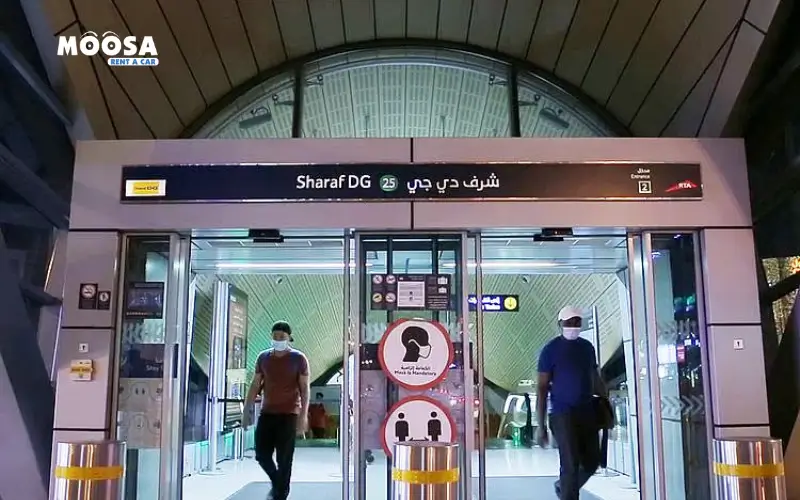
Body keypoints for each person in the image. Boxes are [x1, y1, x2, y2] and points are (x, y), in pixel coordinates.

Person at [535, 306, 606, 500]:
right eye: (569, 323)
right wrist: (540, 426)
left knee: (592, 461)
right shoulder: (550, 350)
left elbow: (594, 376)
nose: (574, 326)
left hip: (587, 411)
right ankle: (568, 492)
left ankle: (564, 486)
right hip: (561, 414)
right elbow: (541, 388)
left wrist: (605, 398)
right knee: (570, 463)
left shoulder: (587, 348)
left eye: (577, 322)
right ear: (560, 324)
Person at [243, 321, 310, 500]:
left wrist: (303, 415)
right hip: (267, 413)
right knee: (261, 455)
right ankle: (278, 483)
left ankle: (281, 494)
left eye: (282, 337)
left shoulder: (298, 359)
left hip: (289, 415)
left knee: (284, 459)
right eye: (275, 336)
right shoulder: (263, 358)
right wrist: (246, 410)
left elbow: (304, 388)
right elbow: (255, 384)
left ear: (289, 338)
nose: (278, 339)